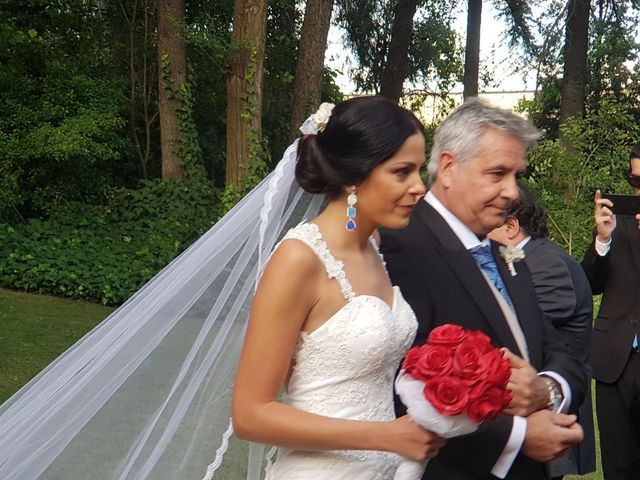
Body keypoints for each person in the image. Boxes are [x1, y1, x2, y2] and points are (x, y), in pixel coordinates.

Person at [232, 95, 445, 479]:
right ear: (352, 177)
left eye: (418, 172)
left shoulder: (374, 248)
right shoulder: (299, 259)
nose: (419, 188)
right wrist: (386, 436)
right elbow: (250, 414)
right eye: (402, 172)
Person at [380, 98, 587, 480]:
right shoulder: (400, 247)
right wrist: (518, 436)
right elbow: (393, 388)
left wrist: (546, 390)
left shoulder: (501, 253)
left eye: (516, 176)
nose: (512, 192)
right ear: (447, 168)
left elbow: (559, 351)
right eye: (497, 174)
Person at [488, 185, 595, 478]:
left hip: (548, 414)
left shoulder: (546, 264)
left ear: (511, 227)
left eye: (489, 224)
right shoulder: (533, 258)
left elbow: (524, 330)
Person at [581, 143, 640, 480]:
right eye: (634, 182)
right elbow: (589, 285)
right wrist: (602, 241)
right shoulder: (614, 222)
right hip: (614, 362)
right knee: (618, 466)